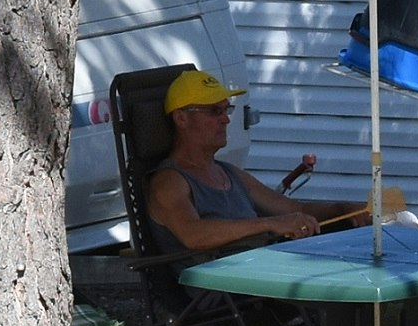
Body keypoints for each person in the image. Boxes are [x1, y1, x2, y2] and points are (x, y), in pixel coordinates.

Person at [141, 67, 365, 256]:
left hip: (264, 272)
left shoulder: (228, 173)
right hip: (224, 290)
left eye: (226, 109)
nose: (226, 119)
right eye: (214, 111)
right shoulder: (170, 181)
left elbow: (295, 209)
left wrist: (343, 208)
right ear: (181, 118)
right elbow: (193, 235)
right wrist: (269, 224)